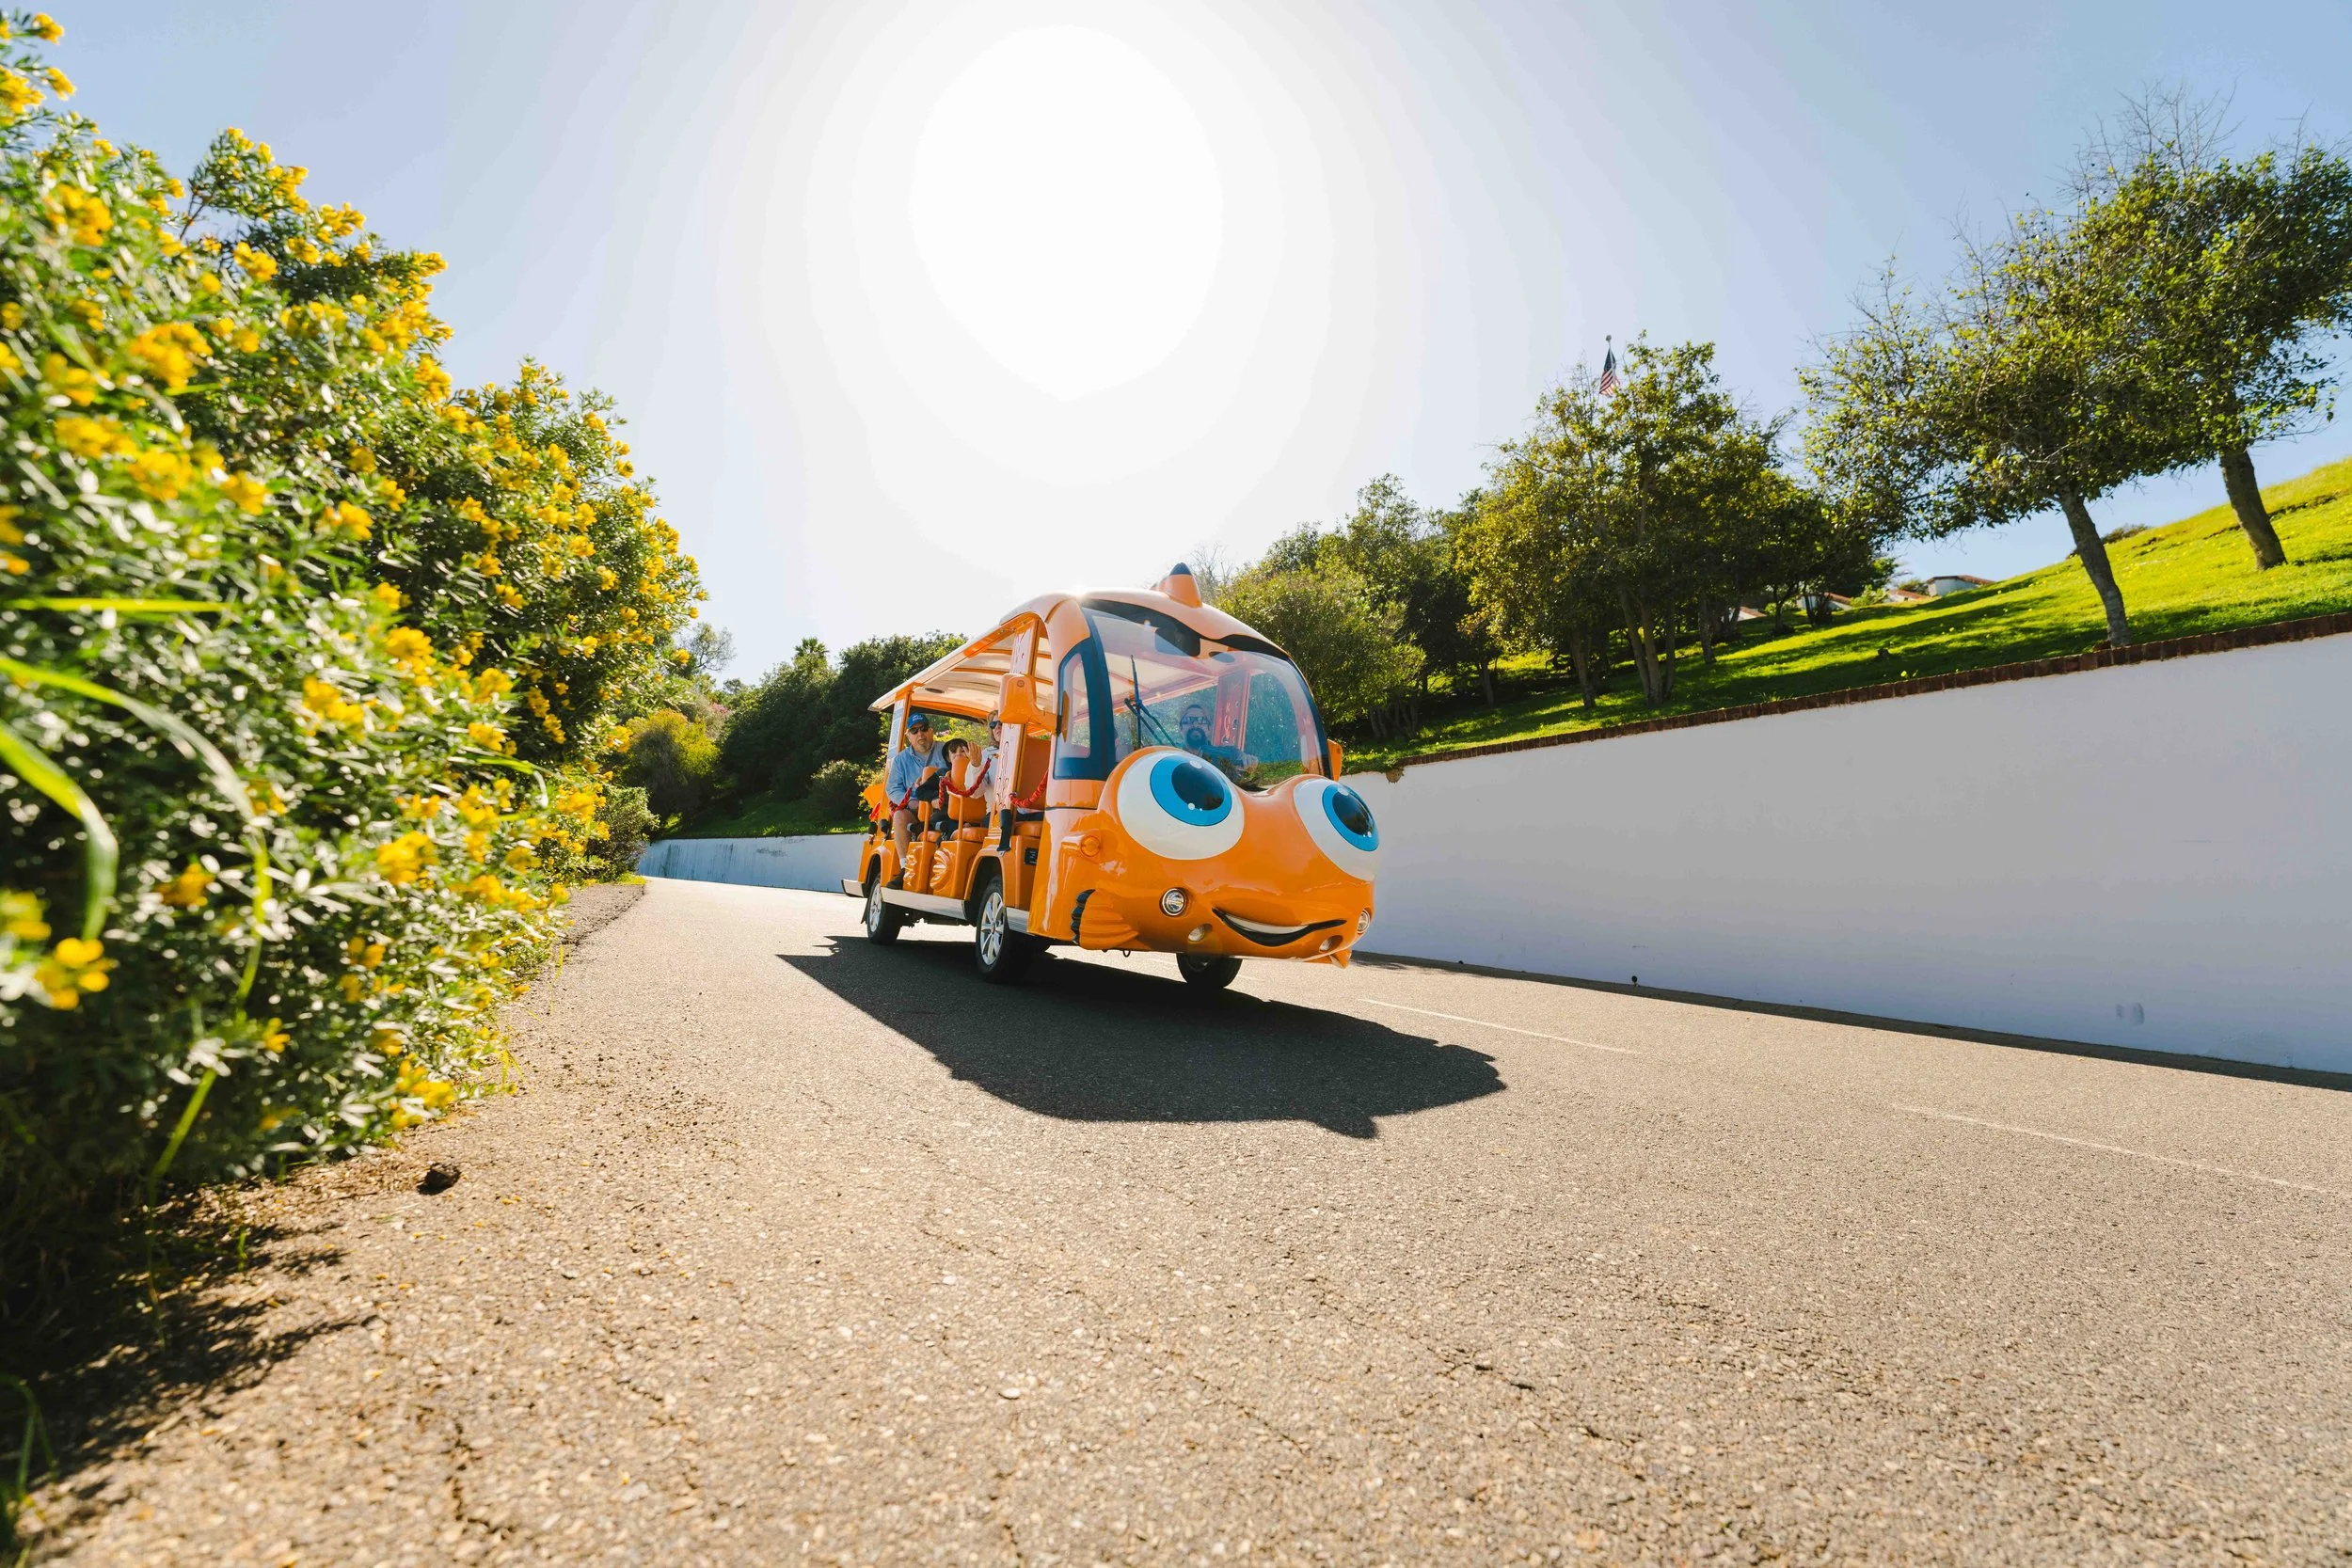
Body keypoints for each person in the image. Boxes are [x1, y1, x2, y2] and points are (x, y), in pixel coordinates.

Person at [885, 713, 945, 878]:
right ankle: (905, 870)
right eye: (914, 731)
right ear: (908, 737)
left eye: (924, 728)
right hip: (915, 811)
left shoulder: (947, 751)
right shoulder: (900, 760)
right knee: (899, 816)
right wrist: (911, 802)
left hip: (943, 808)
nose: (920, 734)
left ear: (931, 731)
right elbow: (892, 789)